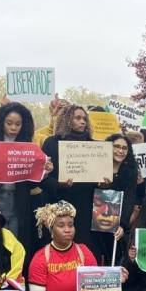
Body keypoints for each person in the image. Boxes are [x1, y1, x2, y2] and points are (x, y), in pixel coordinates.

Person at [40, 104, 111, 258]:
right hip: (60, 206)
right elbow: (43, 180)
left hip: (88, 209)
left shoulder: (96, 146)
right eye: (78, 118)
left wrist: (104, 184)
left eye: (84, 118)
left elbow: (103, 182)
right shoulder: (51, 143)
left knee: (86, 252)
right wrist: (60, 185)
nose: (83, 121)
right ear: (66, 120)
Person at [0, 102, 52, 259]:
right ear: (1, 122)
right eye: (9, 123)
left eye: (18, 124)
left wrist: (44, 172)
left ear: (24, 125)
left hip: (18, 204)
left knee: (14, 243)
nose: (13, 127)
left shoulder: (29, 147)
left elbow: (32, 183)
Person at [95, 134, 139, 266]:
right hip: (93, 220)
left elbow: (129, 198)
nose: (121, 151)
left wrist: (122, 225)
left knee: (112, 258)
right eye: (117, 147)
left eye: (125, 148)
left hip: (115, 223)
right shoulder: (97, 166)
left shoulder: (131, 170)